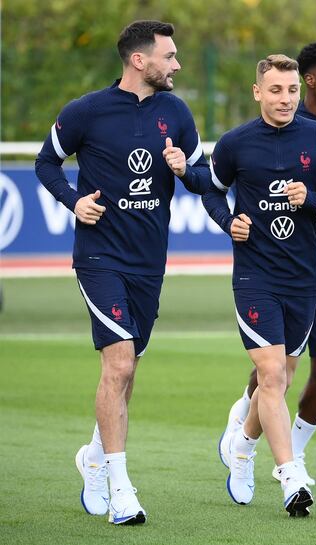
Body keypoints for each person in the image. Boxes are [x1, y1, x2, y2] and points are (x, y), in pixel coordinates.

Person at [34, 20, 211, 525]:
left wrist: (183, 169)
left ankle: (93, 453)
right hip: (99, 256)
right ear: (139, 60)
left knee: (129, 365)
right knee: (120, 364)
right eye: (170, 55)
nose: (177, 64)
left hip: (150, 260)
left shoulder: (175, 111)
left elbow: (202, 179)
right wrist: (74, 202)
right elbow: (48, 163)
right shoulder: (86, 110)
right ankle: (120, 486)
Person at [217, 41, 316, 486]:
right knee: (275, 371)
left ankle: (290, 454)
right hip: (273, 262)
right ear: (311, 80)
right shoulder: (257, 136)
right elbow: (213, 184)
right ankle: (249, 427)